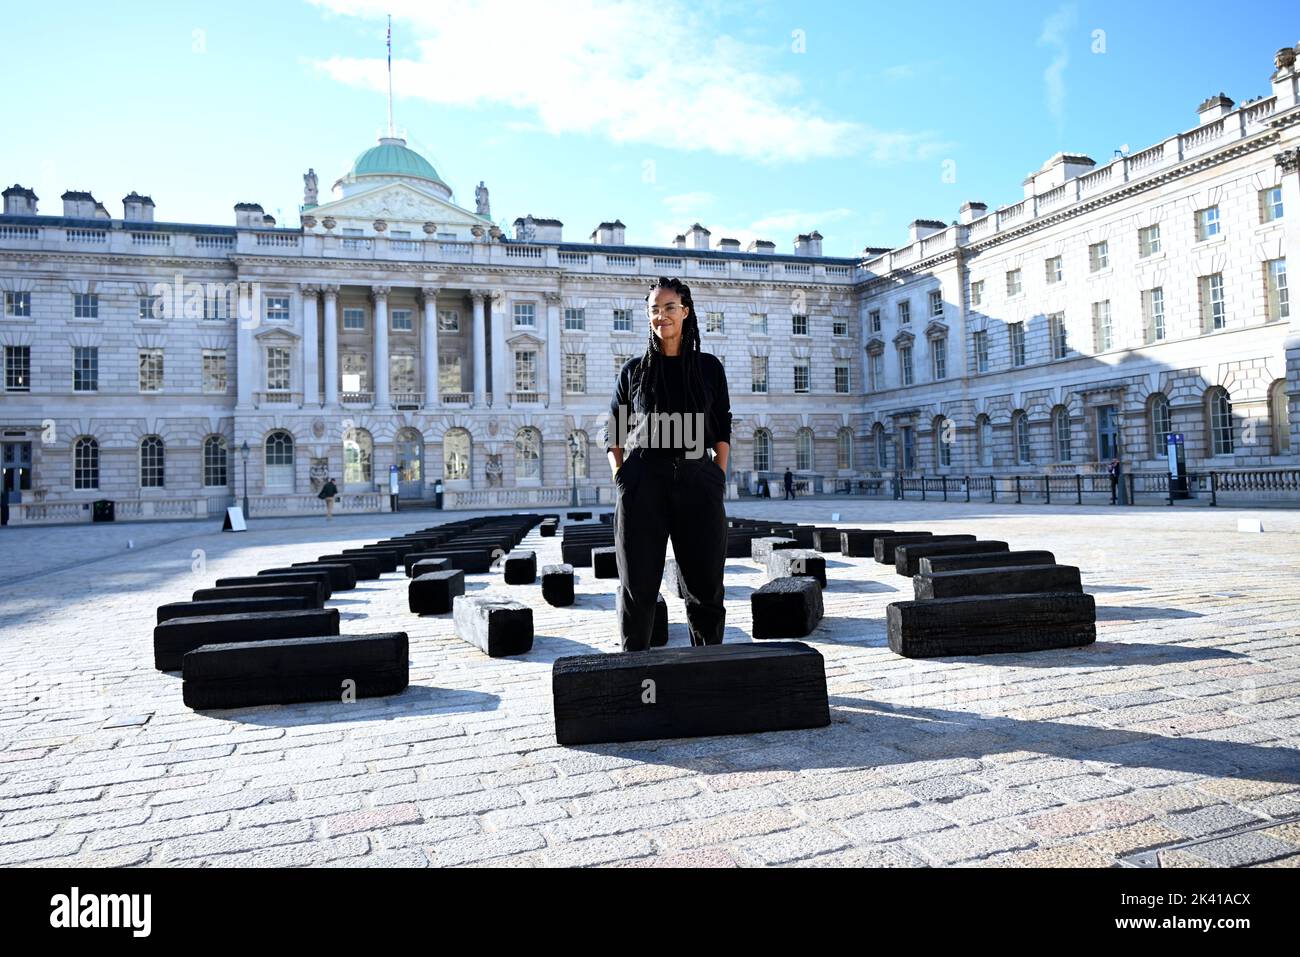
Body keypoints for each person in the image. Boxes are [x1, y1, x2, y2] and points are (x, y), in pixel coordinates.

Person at [601, 276, 732, 651]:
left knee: (705, 587)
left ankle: (707, 672)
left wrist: (716, 476)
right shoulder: (633, 371)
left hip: (698, 481)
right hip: (644, 483)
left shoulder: (709, 368)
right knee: (637, 587)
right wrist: (623, 477)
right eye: (655, 310)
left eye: (670, 307)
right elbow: (614, 432)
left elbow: (722, 425)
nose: (662, 316)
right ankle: (634, 668)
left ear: (686, 311)